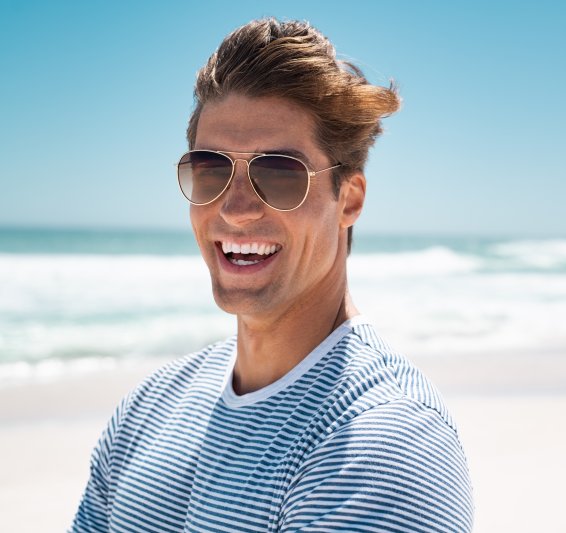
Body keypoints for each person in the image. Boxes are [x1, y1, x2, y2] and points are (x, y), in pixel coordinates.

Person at [70, 17, 474, 532]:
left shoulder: (382, 441)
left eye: (279, 175)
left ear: (348, 200)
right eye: (212, 170)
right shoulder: (149, 409)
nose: (236, 209)